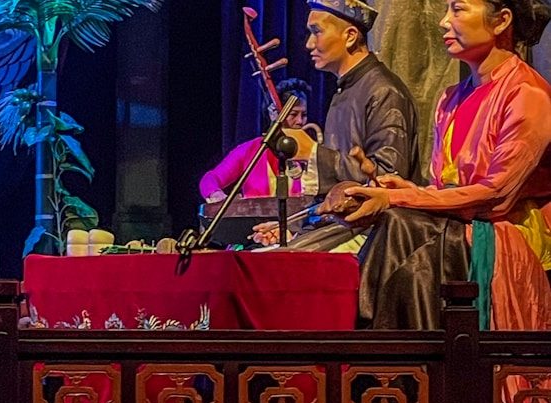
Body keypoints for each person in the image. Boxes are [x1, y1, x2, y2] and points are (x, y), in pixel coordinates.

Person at [341, 0, 551, 330]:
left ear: (501, 21)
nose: (443, 22)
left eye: (458, 9)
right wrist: (407, 190)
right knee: (397, 223)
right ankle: (384, 349)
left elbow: (496, 196)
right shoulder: (451, 99)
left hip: (506, 232)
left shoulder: (527, 94)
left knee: (406, 244)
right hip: (459, 226)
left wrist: (399, 198)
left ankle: (394, 349)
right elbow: (446, 189)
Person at [250, 0, 421, 250]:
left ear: (350, 36)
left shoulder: (384, 91)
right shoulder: (346, 90)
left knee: (277, 267)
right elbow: (336, 196)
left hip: (377, 234)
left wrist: (314, 153)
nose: (309, 44)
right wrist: (292, 227)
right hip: (345, 226)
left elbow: (388, 177)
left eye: (317, 31)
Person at [199, 79, 313, 203]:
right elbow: (211, 179)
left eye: (304, 115)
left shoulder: (311, 150)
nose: (300, 121)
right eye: (293, 114)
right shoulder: (250, 150)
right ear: (274, 114)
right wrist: (215, 194)